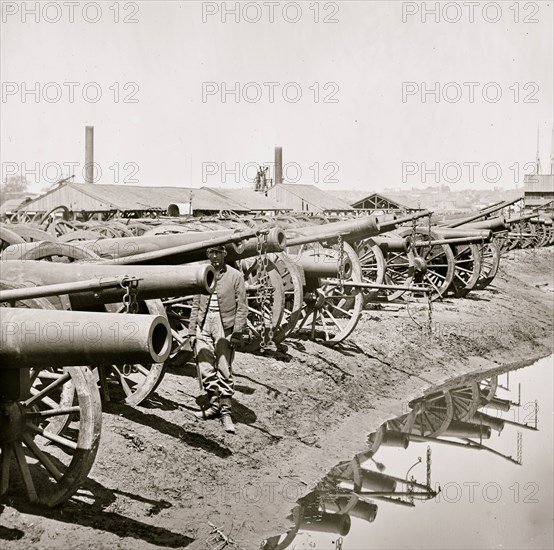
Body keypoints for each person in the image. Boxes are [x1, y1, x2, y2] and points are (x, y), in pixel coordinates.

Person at [186, 245, 248, 434]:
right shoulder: (202, 273)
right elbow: (196, 303)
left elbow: (242, 306)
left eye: (218, 253)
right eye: (211, 253)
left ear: (224, 255)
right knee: (205, 368)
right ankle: (213, 407)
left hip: (224, 324)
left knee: (224, 367)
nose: (215, 257)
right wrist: (191, 330)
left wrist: (237, 332)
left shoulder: (235, 276)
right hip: (204, 323)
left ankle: (226, 413)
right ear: (208, 255)